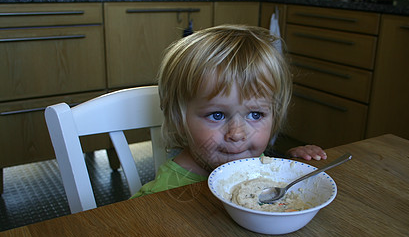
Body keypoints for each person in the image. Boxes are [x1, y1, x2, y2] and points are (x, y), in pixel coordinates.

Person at [131, 25, 326, 198]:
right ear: (178, 119)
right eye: (217, 115)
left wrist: (290, 165)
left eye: (255, 115)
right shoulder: (161, 194)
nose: (237, 134)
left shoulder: (256, 161)